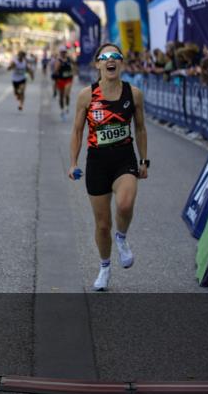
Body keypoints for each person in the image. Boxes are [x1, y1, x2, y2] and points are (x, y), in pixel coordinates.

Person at [68, 44, 149, 291]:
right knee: (102, 225)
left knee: (125, 204)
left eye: (116, 56)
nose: (110, 60)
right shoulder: (87, 95)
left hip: (124, 157)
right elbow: (78, 130)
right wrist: (73, 163)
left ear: (121, 63)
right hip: (97, 162)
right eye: (105, 57)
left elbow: (140, 128)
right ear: (98, 64)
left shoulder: (133, 93)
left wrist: (144, 160)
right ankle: (104, 267)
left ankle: (122, 239)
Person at [51, 47, 76, 120]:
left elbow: (75, 64)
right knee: (61, 97)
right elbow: (55, 71)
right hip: (61, 80)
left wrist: (74, 70)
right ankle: (62, 110)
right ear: (60, 53)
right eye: (62, 52)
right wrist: (55, 80)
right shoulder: (58, 61)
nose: (63, 53)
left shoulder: (69, 59)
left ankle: (67, 106)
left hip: (68, 79)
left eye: (64, 52)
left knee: (66, 94)